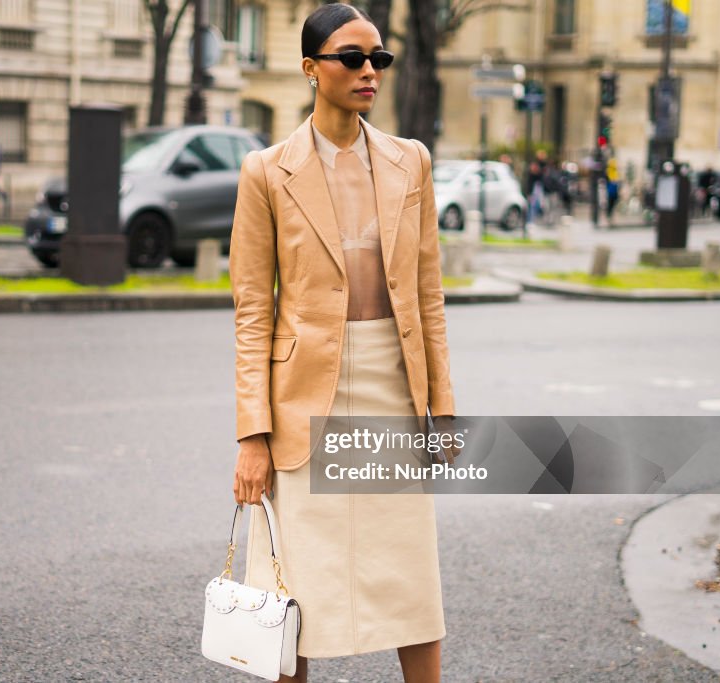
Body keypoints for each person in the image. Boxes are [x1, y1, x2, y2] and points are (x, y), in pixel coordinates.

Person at [228, 5, 458, 682]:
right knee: (294, 589)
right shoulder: (266, 172)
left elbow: (428, 295)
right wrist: (252, 433)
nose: (368, 71)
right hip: (304, 402)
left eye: (378, 59)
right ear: (310, 70)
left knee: (411, 581)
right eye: (351, 58)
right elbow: (251, 311)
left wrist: (442, 410)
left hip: (393, 385)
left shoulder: (409, 161)